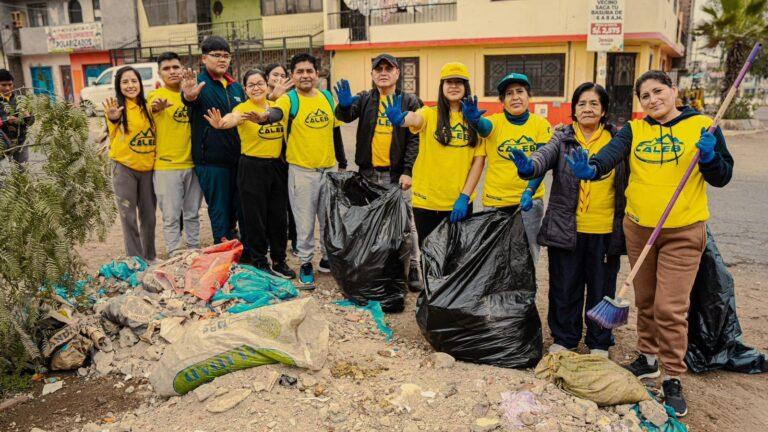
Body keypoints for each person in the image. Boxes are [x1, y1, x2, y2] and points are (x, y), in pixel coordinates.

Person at [568, 70, 734, 417]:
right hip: (640, 228)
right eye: (645, 95)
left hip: (683, 230)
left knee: (669, 307)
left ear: (674, 91)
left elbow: (723, 176)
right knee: (645, 299)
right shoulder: (635, 129)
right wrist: (592, 169)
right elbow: (609, 156)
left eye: (658, 91)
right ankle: (648, 358)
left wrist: (709, 158)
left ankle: (672, 375)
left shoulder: (703, 125)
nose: (652, 99)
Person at [510, 82, 628, 357]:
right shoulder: (561, 139)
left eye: (594, 104)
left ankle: (599, 342)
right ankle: (565, 339)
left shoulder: (618, 141)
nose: (587, 109)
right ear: (574, 109)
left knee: (602, 288)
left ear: (604, 110)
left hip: (604, 230)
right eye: (582, 104)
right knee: (565, 287)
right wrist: (530, 167)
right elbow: (543, 156)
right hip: (566, 230)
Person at [333, 53, 423, 291]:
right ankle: (376, 266)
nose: (383, 72)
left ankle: (414, 265)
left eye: (388, 68)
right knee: (370, 223)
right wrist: (342, 105)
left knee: (406, 224)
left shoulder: (409, 101)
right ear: (372, 74)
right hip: (368, 174)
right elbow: (345, 115)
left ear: (397, 73)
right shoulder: (365, 98)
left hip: (396, 176)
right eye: (378, 69)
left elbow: (416, 139)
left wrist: (408, 170)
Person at [256, 53, 347, 286]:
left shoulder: (327, 97)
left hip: (328, 169)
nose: (305, 75)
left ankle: (327, 259)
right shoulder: (289, 100)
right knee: (304, 222)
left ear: (317, 74)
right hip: (302, 172)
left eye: (309, 71)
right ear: (292, 76)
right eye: (299, 71)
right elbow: (275, 114)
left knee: (329, 220)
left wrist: (342, 162)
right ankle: (306, 262)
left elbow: (335, 130)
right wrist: (265, 116)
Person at [202, 69, 296, 279]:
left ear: (267, 85)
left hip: (277, 167)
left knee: (279, 216)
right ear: (245, 89)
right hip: (251, 167)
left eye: (260, 83)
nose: (256, 88)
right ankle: (259, 261)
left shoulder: (277, 106)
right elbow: (231, 118)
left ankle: (279, 260)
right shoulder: (242, 108)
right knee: (255, 217)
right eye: (251, 85)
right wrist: (221, 123)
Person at [382, 62, 483, 243]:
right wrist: (402, 118)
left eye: (458, 82)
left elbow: (478, 162)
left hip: (459, 202)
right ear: (441, 86)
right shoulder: (429, 114)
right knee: (429, 258)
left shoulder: (475, 120)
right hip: (426, 202)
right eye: (448, 82)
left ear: (465, 87)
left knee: (457, 259)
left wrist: (464, 197)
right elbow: (415, 119)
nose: (453, 86)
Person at [460, 73, 550, 262]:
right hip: (496, 202)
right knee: (497, 256)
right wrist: (475, 121)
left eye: (520, 91)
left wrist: (529, 191)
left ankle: (528, 292)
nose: (515, 97)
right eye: (509, 93)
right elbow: (485, 128)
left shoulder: (541, 125)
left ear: (528, 96)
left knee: (528, 253)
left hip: (529, 202)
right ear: (502, 100)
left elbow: (543, 162)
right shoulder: (495, 121)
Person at [180, 36, 248, 252]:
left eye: (226, 55)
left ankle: (234, 246)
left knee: (236, 208)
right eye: (216, 55)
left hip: (237, 158)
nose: (222, 59)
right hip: (211, 161)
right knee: (219, 210)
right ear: (204, 58)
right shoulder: (199, 85)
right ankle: (223, 253)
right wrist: (188, 96)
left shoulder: (235, 87)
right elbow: (189, 98)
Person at [147, 52, 203, 256]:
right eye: (166, 68)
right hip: (166, 167)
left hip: (193, 164)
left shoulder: (191, 94)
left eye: (175, 67)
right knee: (170, 216)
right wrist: (157, 107)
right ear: (160, 73)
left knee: (192, 213)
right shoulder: (156, 96)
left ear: (182, 69)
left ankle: (194, 249)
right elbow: (153, 107)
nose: (172, 72)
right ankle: (174, 253)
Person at [103, 66, 157, 262]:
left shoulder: (148, 106)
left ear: (140, 83)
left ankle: (150, 256)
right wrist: (113, 117)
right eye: (125, 82)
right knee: (129, 217)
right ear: (118, 86)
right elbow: (112, 121)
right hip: (124, 168)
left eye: (134, 81)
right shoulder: (116, 107)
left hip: (148, 169)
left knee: (149, 217)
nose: (130, 85)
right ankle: (135, 260)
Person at [264, 62, 298, 256]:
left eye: (282, 75)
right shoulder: (261, 97)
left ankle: (295, 240)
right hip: (267, 160)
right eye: (274, 74)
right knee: (272, 204)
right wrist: (272, 97)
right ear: (267, 77)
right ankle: (272, 239)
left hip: (287, 158)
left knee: (291, 203)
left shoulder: (289, 99)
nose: (278, 78)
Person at [0, 69, 34, 164]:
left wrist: (28, 117)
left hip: (20, 141)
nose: (7, 88)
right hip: (2, 142)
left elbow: (31, 122)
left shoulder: (21, 99)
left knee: (21, 171)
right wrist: (6, 120)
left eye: (10, 84)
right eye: (3, 85)